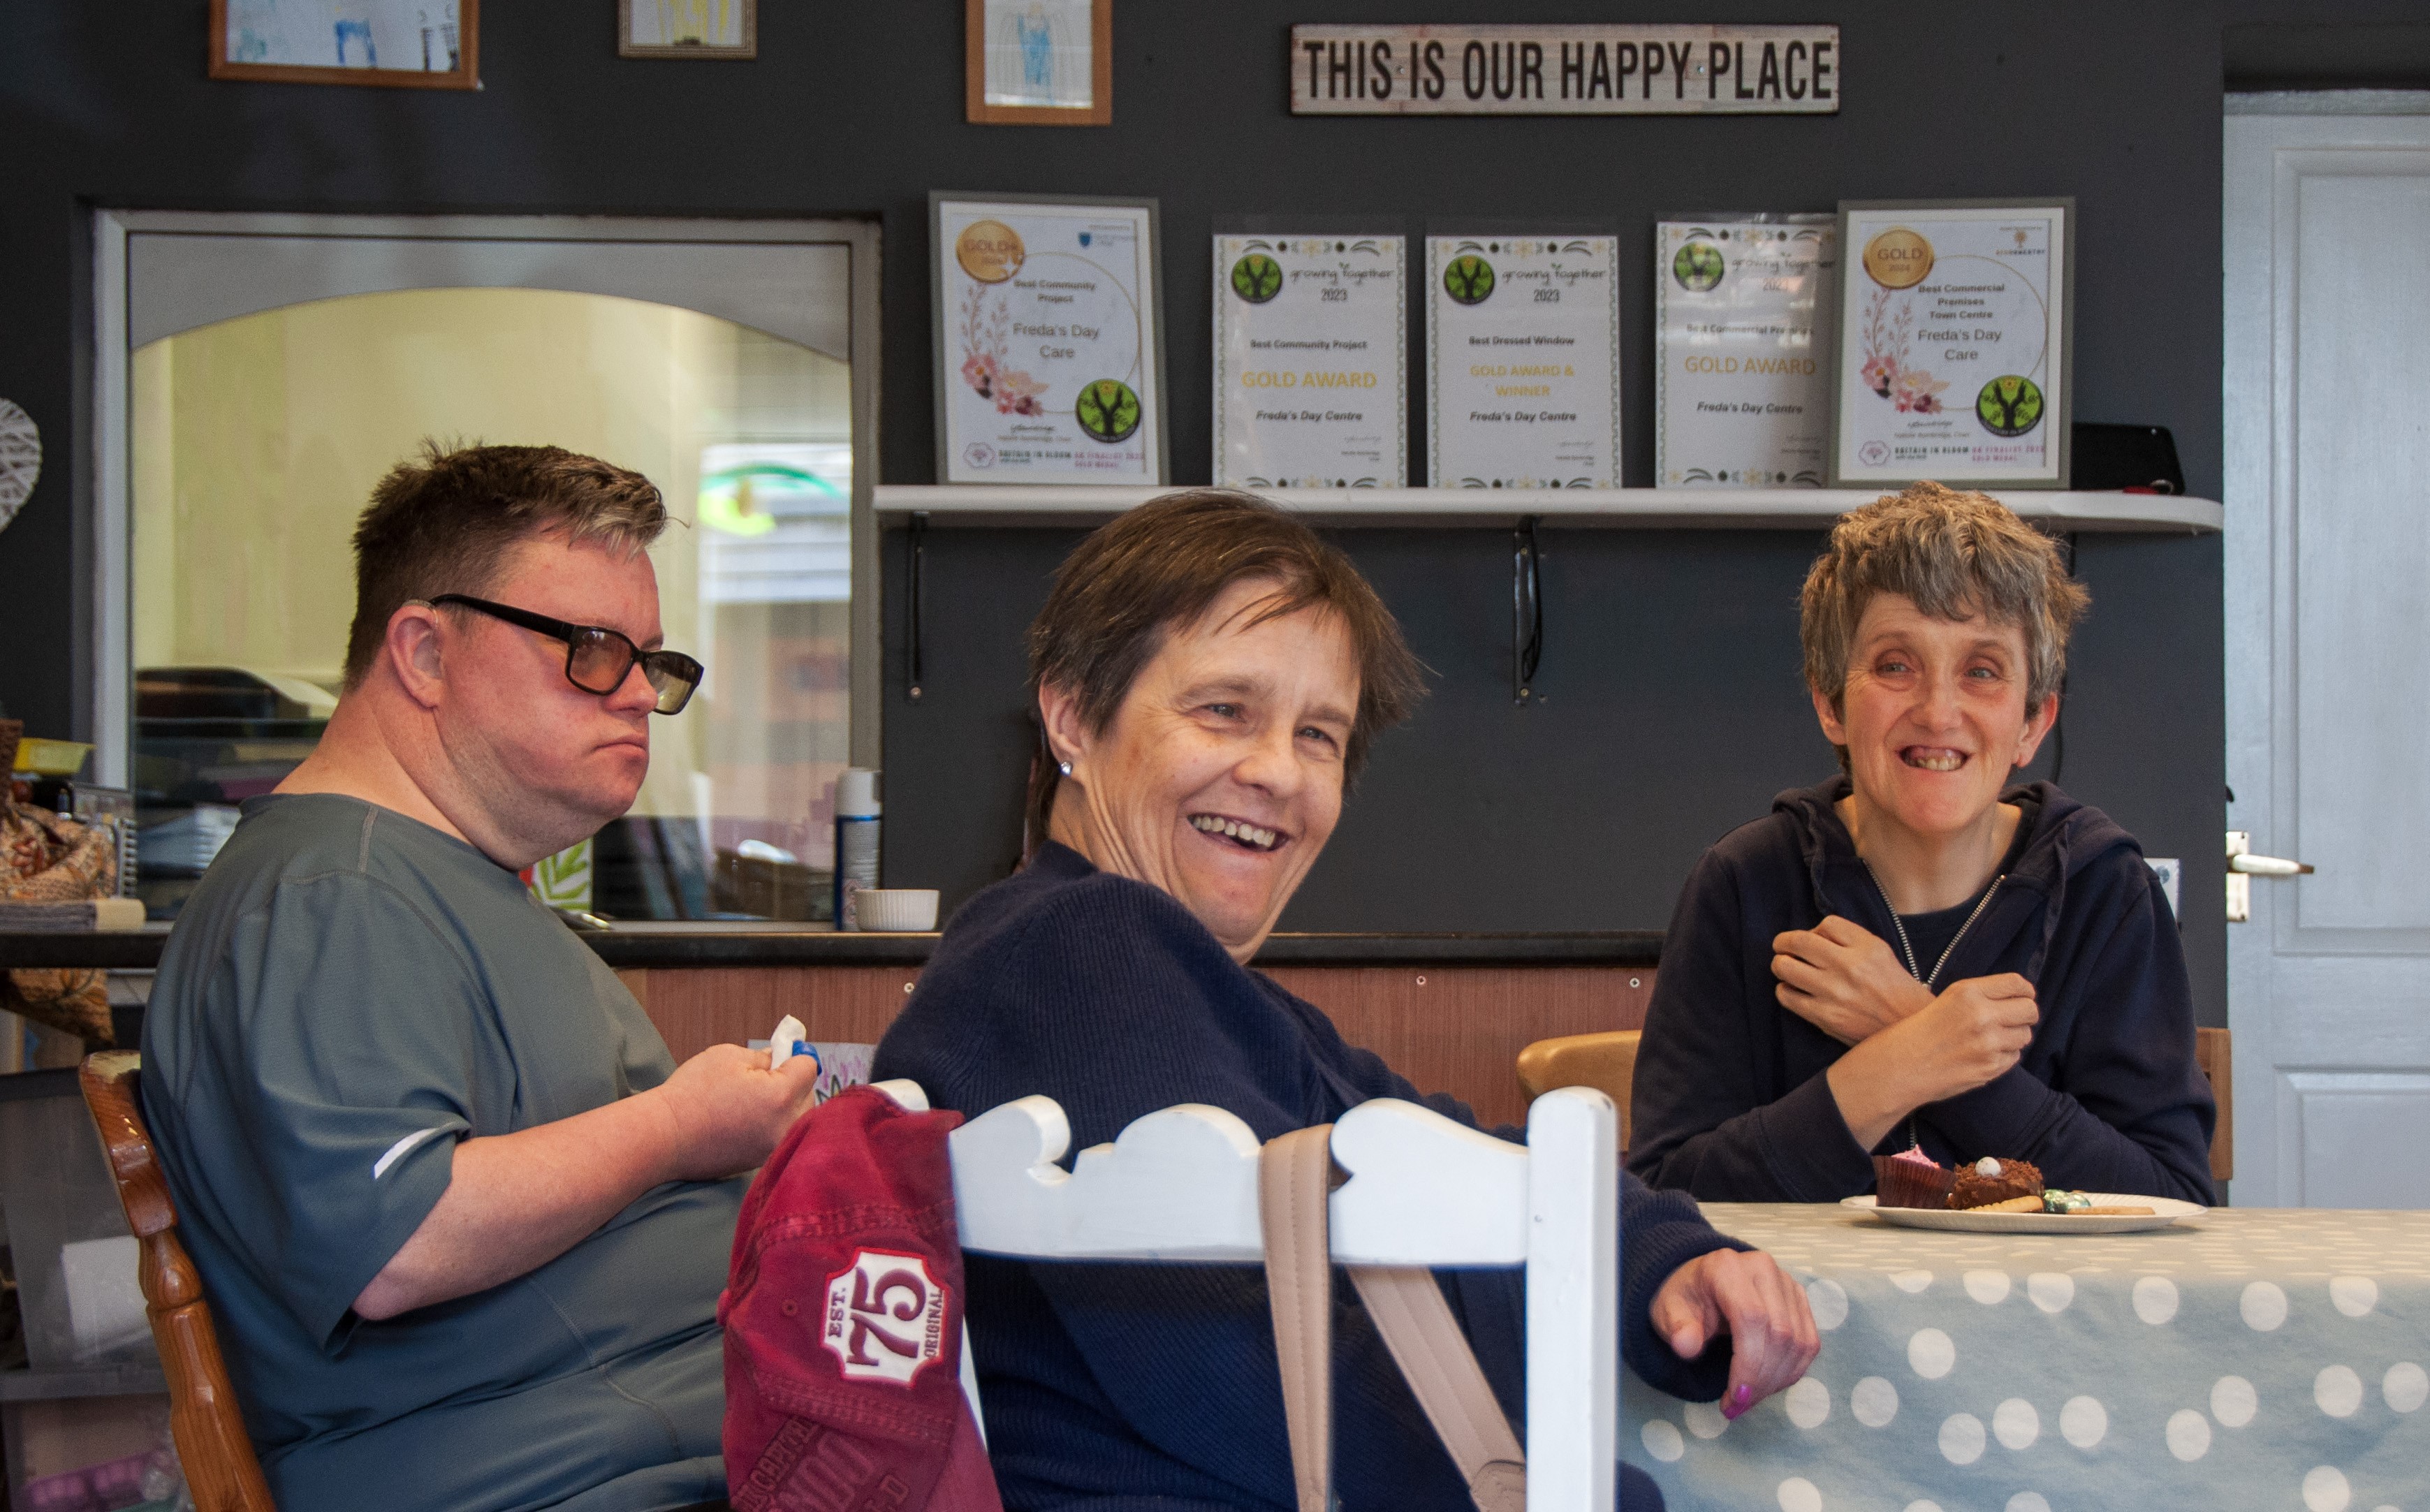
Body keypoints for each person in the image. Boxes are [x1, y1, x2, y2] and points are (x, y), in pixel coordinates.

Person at [875, 490, 1820, 1512]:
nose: (1277, 771)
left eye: (1318, 734)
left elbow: (1443, 1142)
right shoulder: (1080, 946)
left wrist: (1658, 1255)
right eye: (1223, 708)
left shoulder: (1163, 978)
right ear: (1070, 712)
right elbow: (1265, 1371)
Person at [143, 444, 821, 1512]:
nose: (641, 691)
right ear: (423, 651)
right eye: (592, 649)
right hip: (559, 1478)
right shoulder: (335, 894)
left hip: (691, 1443)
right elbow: (399, 1241)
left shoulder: (436, 881)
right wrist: (682, 1126)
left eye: (651, 657)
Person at [1628, 482, 2216, 1205]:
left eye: (1980, 671)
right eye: (1894, 665)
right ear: (1828, 703)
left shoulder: (2104, 892)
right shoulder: (1744, 885)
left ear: (2032, 722)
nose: (1938, 711)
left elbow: (2173, 1195)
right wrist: (1903, 1060)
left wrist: (1914, 1025)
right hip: (1801, 1317)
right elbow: (1664, 1195)